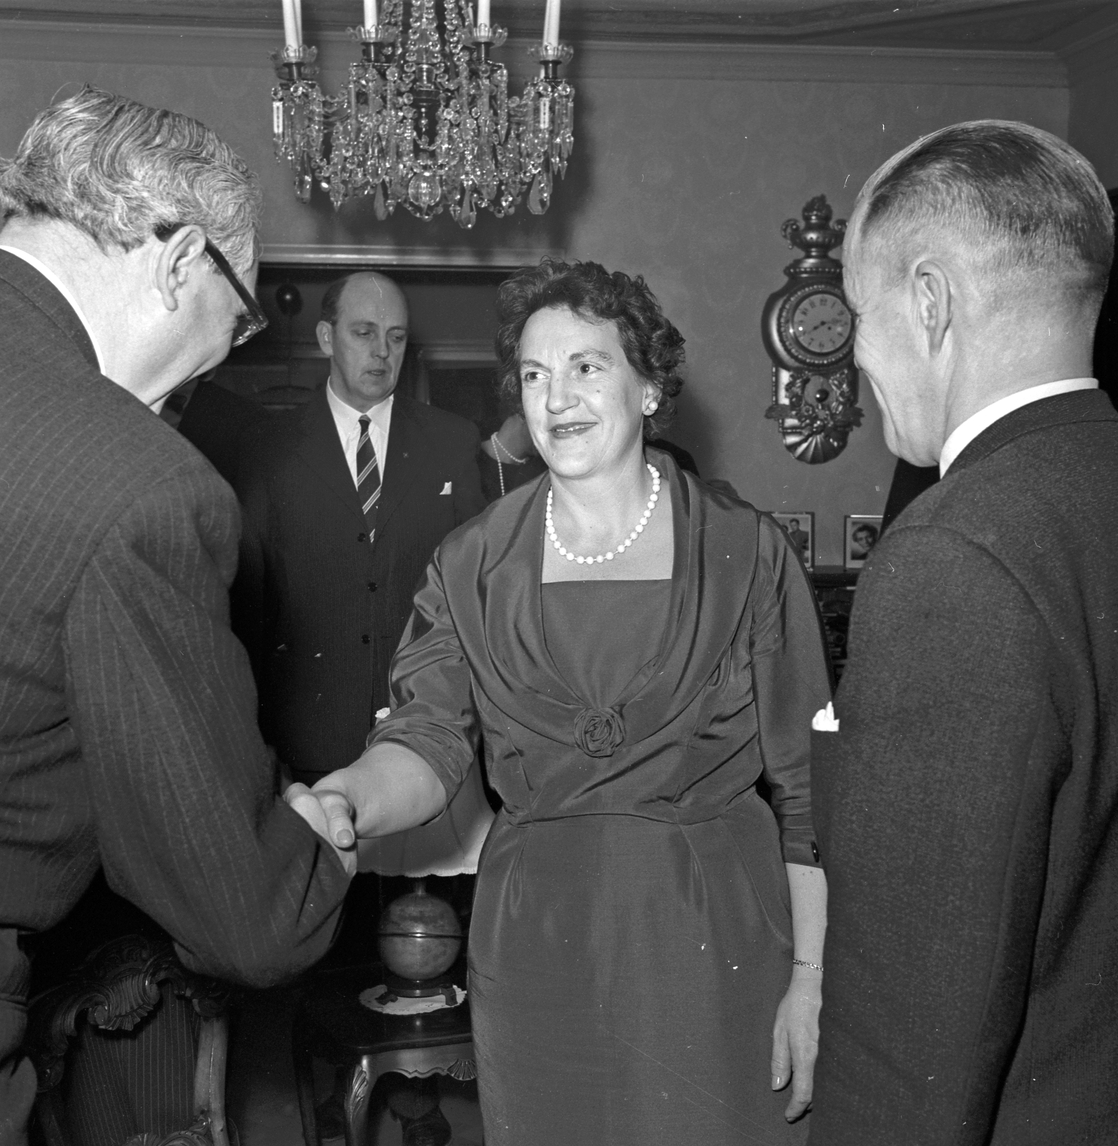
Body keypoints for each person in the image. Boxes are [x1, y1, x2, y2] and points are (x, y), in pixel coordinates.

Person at [287, 259, 834, 1145]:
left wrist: (812, 978)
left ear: (648, 386)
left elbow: (809, 796)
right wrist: (346, 795)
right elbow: (427, 739)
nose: (557, 398)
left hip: (715, 944)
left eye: (587, 366)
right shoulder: (472, 563)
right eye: (536, 375)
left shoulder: (744, 552)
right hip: (538, 948)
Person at [807, 120, 1118, 1145]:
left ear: (930, 302)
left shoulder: (955, 553)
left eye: (859, 316)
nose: (857, 357)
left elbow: (907, 1041)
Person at [0, 88, 353, 1144]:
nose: (223, 360)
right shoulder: (140, 486)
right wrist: (311, 847)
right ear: (181, 260)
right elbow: (244, 919)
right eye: (238, 321)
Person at [232, 270, 487, 1146]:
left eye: (398, 337)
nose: (382, 352)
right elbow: (248, 609)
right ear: (325, 338)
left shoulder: (454, 444)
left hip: (431, 759)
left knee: (434, 971)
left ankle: (425, 1123)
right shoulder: (267, 450)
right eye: (364, 333)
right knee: (323, 981)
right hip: (312, 753)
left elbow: (478, 594)